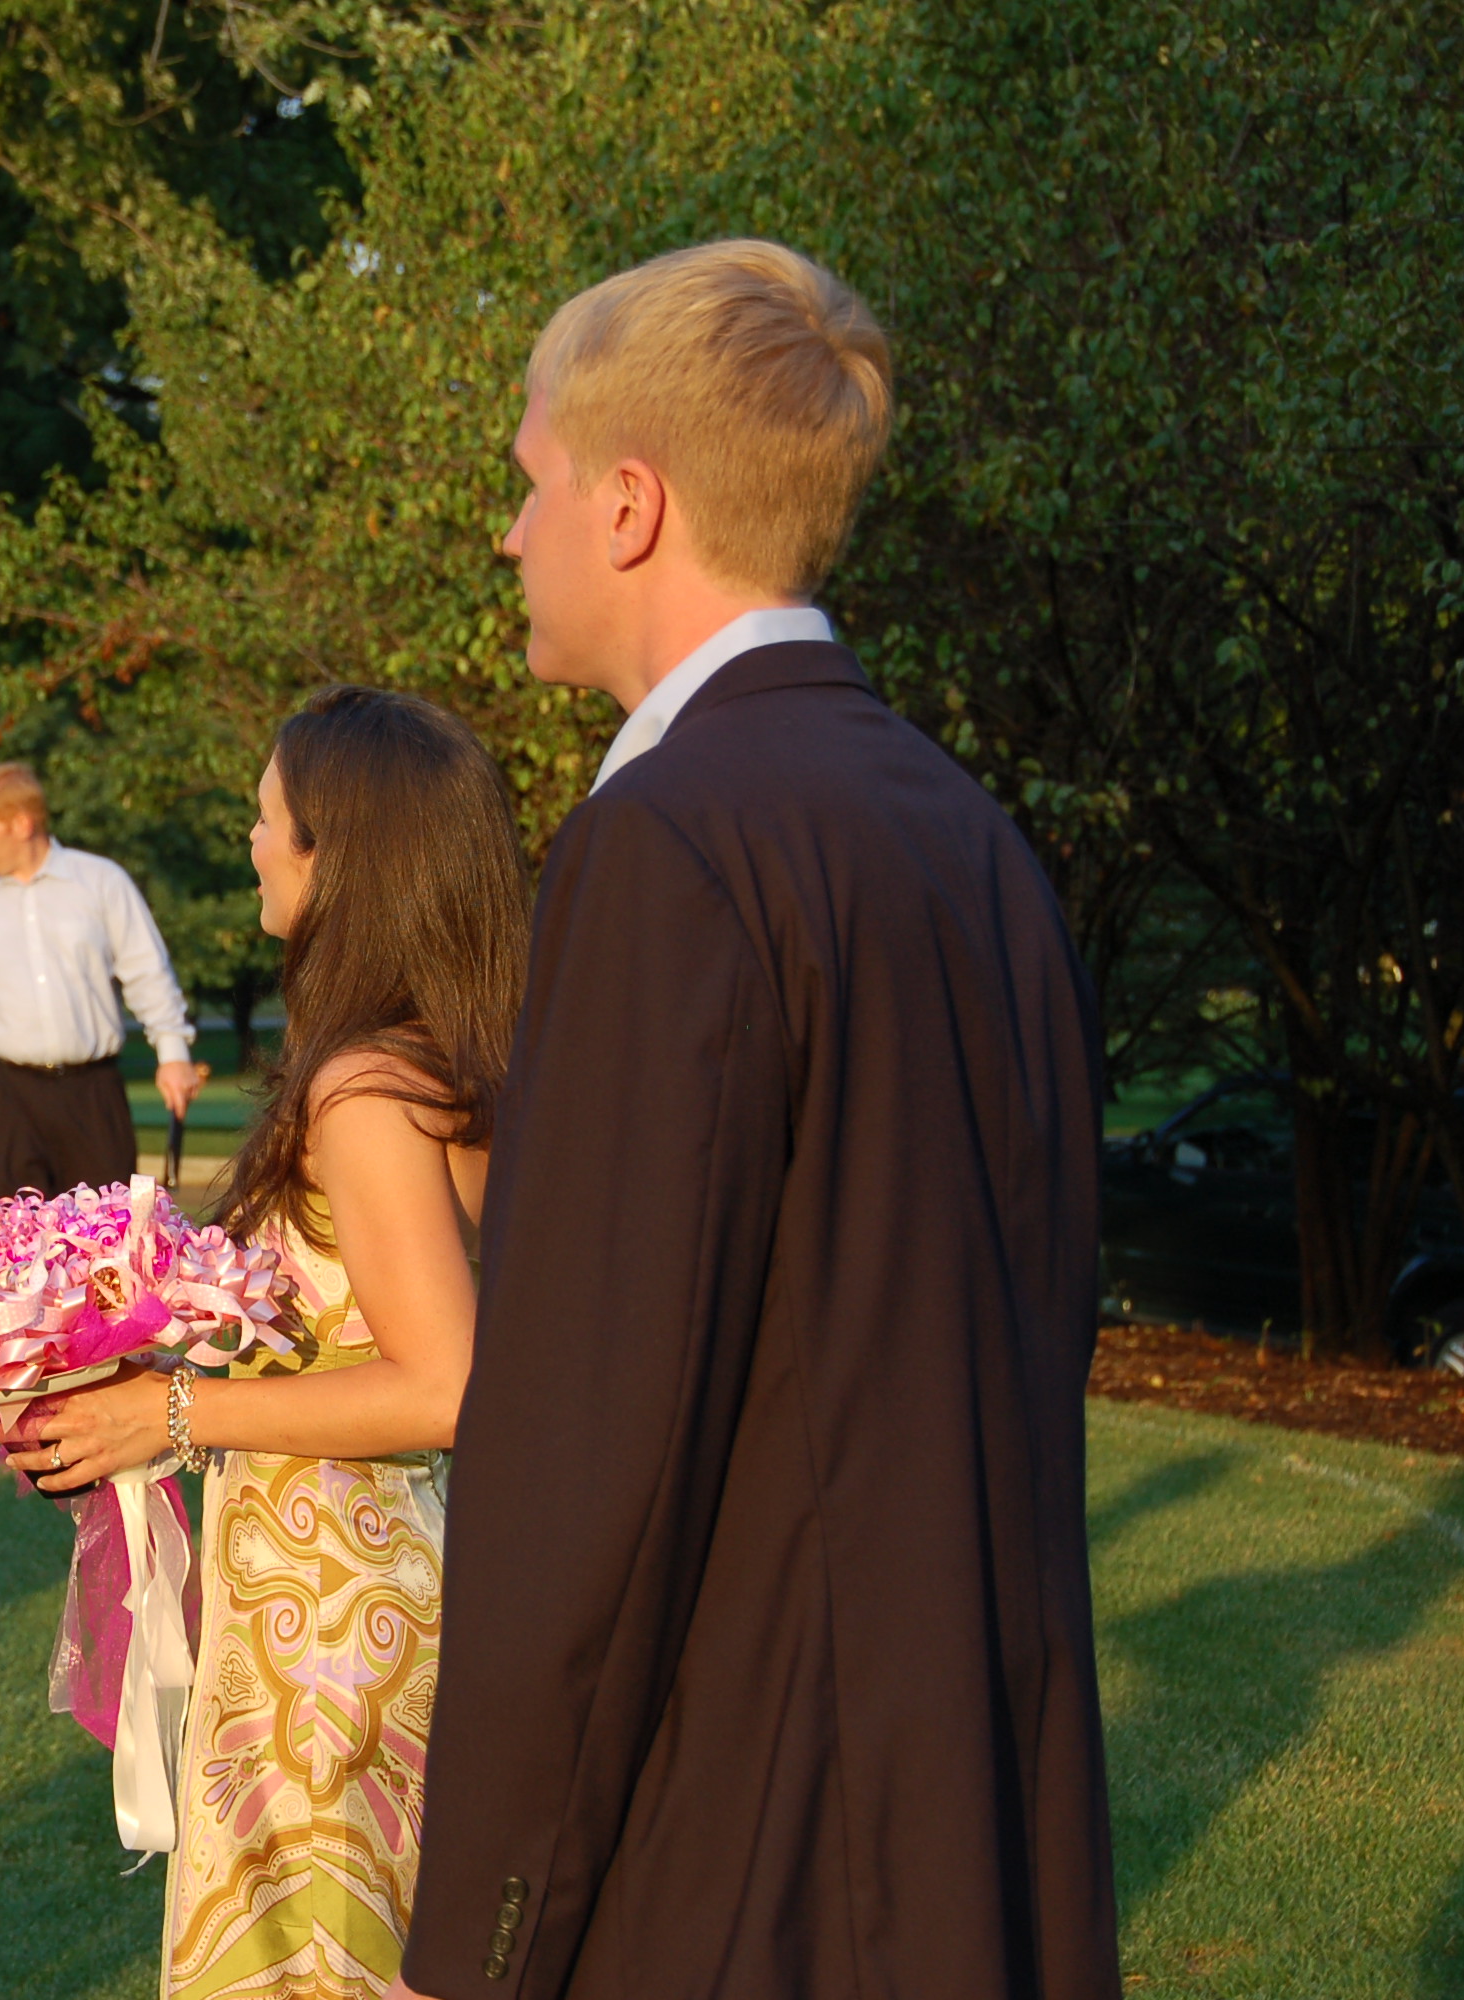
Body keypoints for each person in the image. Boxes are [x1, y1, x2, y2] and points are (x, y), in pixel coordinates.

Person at [390, 241, 1117, 1999]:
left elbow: (592, 1454)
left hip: (741, 1857)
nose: (510, 533)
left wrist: (480, 1928)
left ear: (628, 504)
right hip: (975, 1819)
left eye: (531, 482)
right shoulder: (966, 832)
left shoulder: (665, 847)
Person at [2, 688, 528, 1999]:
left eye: (266, 815)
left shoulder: (364, 1088)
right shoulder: (443, 1057)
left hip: (336, 1628)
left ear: (334, 853)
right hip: (376, 1586)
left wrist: (171, 1417)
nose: (249, 840)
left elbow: (444, 1382)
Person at [0, 761, 202, 1201]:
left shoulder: (101, 882)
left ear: (22, 823)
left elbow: (147, 971)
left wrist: (173, 1054)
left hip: (91, 1093)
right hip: (1, 1096)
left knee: (105, 1232)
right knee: (11, 1236)